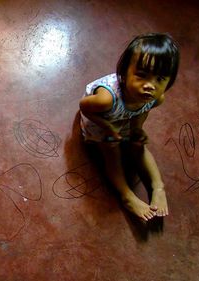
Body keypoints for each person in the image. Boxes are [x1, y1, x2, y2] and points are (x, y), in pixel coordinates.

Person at [79, 33, 179, 221]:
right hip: (101, 120)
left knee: (138, 146)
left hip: (123, 119)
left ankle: (158, 186)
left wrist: (137, 129)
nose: (150, 86)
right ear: (124, 74)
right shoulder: (106, 99)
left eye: (160, 79)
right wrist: (108, 127)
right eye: (141, 76)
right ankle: (127, 195)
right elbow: (84, 107)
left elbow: (143, 111)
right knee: (112, 152)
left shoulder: (156, 97)